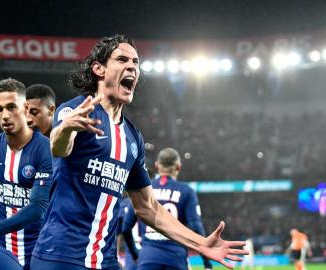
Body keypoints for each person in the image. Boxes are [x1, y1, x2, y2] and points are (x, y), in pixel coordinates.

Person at [31, 34, 247, 270]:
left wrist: (201, 243)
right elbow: (59, 147)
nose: (132, 66)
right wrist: (67, 128)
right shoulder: (77, 110)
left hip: (106, 260)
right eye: (122, 59)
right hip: (61, 256)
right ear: (99, 69)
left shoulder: (133, 138)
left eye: (135, 62)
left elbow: (148, 207)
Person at [0, 78, 53, 269]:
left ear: (25, 108)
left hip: (37, 255)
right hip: (0, 255)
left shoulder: (44, 150)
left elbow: (38, 207)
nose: (5, 115)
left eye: (11, 107)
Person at [122, 147, 213, 270]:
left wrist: (135, 254)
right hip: (175, 258)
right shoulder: (186, 191)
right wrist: (207, 262)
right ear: (178, 167)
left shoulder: (143, 189)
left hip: (148, 259)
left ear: (157, 165)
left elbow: (126, 228)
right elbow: (196, 228)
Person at [117, 197, 140, 270]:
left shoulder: (124, 203)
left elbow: (118, 234)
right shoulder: (151, 201)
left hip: (132, 249)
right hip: (149, 248)